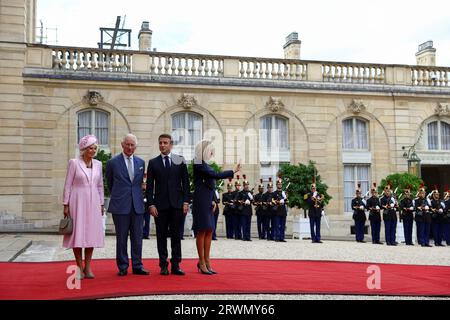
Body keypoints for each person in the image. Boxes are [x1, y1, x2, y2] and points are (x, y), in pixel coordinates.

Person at [192, 140, 240, 275]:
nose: (212, 153)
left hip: (208, 199)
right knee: (202, 230)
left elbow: (211, 184)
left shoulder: (206, 164)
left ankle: (207, 261)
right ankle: (201, 262)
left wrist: (213, 200)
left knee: (209, 230)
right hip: (200, 199)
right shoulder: (198, 162)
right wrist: (233, 171)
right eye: (210, 150)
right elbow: (215, 176)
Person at [145, 134, 190, 276]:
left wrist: (186, 201)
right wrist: (151, 205)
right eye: (160, 143)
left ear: (171, 144)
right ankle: (163, 265)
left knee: (176, 236)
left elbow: (186, 184)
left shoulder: (180, 160)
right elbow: (149, 187)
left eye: (165, 143)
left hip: (177, 205)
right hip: (160, 206)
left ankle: (176, 265)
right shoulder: (153, 163)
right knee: (161, 236)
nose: (162, 145)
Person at [105, 133, 149, 276]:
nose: (130, 147)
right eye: (127, 144)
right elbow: (110, 183)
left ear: (135, 147)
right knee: (122, 238)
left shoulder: (141, 162)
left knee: (137, 237)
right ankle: (123, 266)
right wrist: (120, 195)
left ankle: (137, 265)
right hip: (120, 205)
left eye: (132, 145)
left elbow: (140, 183)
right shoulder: (112, 163)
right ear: (122, 145)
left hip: (137, 205)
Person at [62, 134, 104, 280]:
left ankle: (88, 267)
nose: (93, 151)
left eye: (94, 148)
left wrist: (101, 203)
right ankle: (79, 267)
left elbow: (99, 185)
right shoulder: (74, 163)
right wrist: (65, 204)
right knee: (78, 234)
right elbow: (67, 184)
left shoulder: (98, 164)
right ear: (84, 149)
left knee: (91, 234)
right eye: (90, 148)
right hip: (77, 202)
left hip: (93, 203)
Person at [234, 175, 253, 241]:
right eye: (245, 185)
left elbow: (252, 201)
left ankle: (248, 237)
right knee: (244, 225)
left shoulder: (250, 192)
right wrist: (243, 202)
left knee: (248, 225)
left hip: (249, 211)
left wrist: (250, 200)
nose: (246, 186)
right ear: (243, 186)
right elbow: (236, 200)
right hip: (243, 211)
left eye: (247, 185)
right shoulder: (240, 193)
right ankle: (244, 237)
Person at [273, 177, 288, 242]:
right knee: (277, 225)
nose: (280, 185)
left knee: (282, 226)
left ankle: (282, 237)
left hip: (283, 211)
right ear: (276, 185)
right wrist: (278, 201)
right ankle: (277, 237)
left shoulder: (283, 193)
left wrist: (284, 200)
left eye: (280, 184)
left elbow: (287, 201)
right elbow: (272, 201)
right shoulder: (274, 193)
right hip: (277, 211)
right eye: (278, 184)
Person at [142, 173, 151, 239]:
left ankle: (146, 234)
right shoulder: (140, 182)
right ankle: (142, 234)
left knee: (147, 221)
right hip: (141, 207)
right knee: (141, 222)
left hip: (147, 207)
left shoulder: (149, 183)